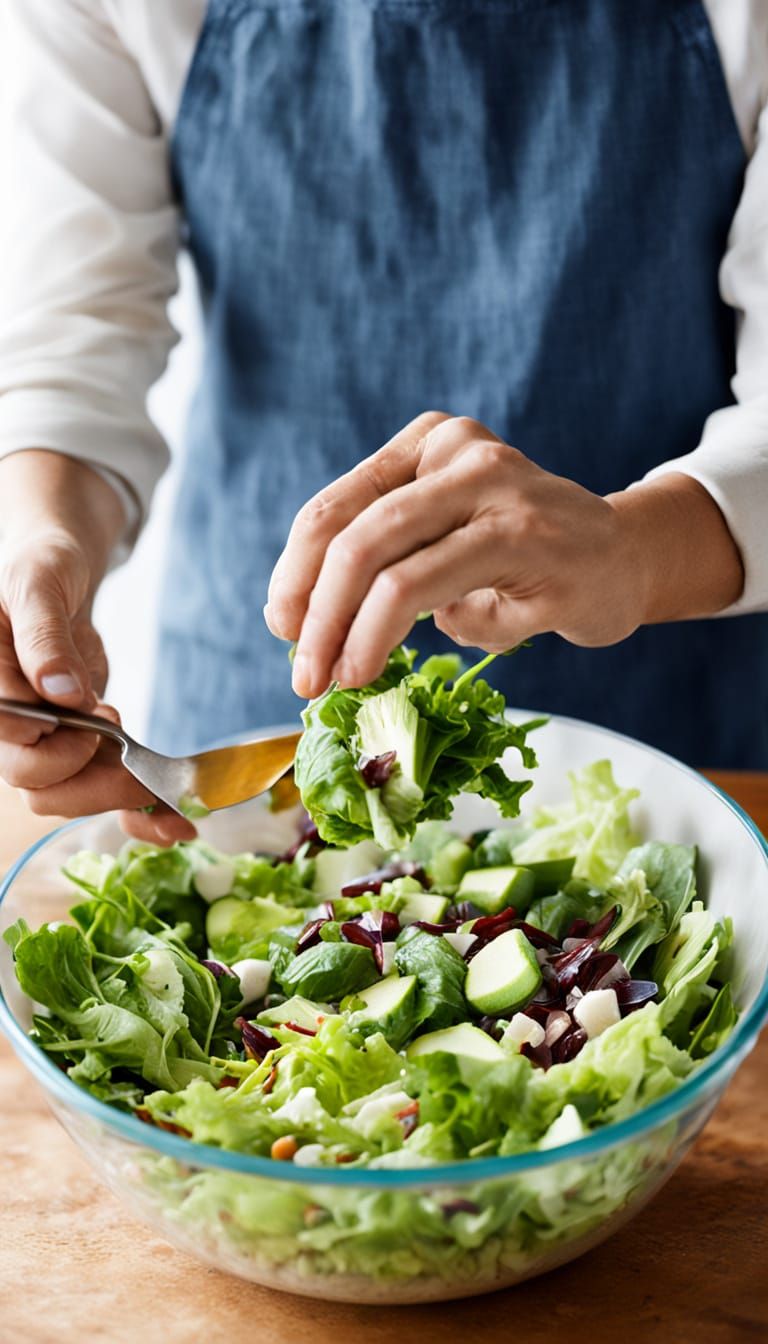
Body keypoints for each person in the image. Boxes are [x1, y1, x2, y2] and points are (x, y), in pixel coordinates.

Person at [0, 1, 767, 850]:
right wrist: (43, 547)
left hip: (687, 705)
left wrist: (628, 551)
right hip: (243, 712)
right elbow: (73, 334)